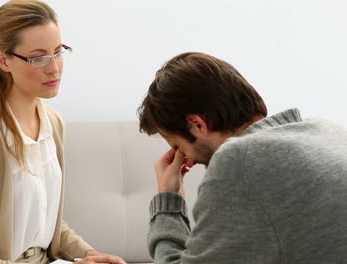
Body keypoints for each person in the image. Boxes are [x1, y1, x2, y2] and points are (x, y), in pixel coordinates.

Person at [0, 1, 126, 264]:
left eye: (58, 52)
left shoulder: (53, 124)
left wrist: (88, 254)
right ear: (3, 61)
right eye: (38, 57)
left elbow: (41, 224)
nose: (54, 68)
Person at [138, 52, 347, 263]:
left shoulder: (239, 162)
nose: (186, 160)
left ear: (197, 124)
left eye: (178, 146)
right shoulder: (330, 132)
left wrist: (168, 200)